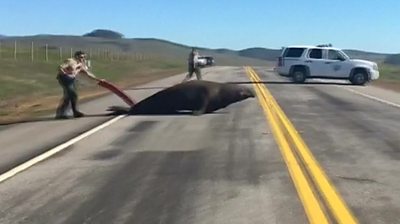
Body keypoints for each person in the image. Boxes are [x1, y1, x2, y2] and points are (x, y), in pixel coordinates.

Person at [55, 51, 101, 119]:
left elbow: (88, 74)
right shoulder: (71, 61)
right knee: (73, 94)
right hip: (64, 79)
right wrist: (65, 74)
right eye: (81, 57)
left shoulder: (81, 65)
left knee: (68, 96)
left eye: (84, 57)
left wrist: (98, 79)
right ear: (76, 56)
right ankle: (74, 112)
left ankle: (61, 114)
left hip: (71, 80)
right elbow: (60, 67)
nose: (83, 59)